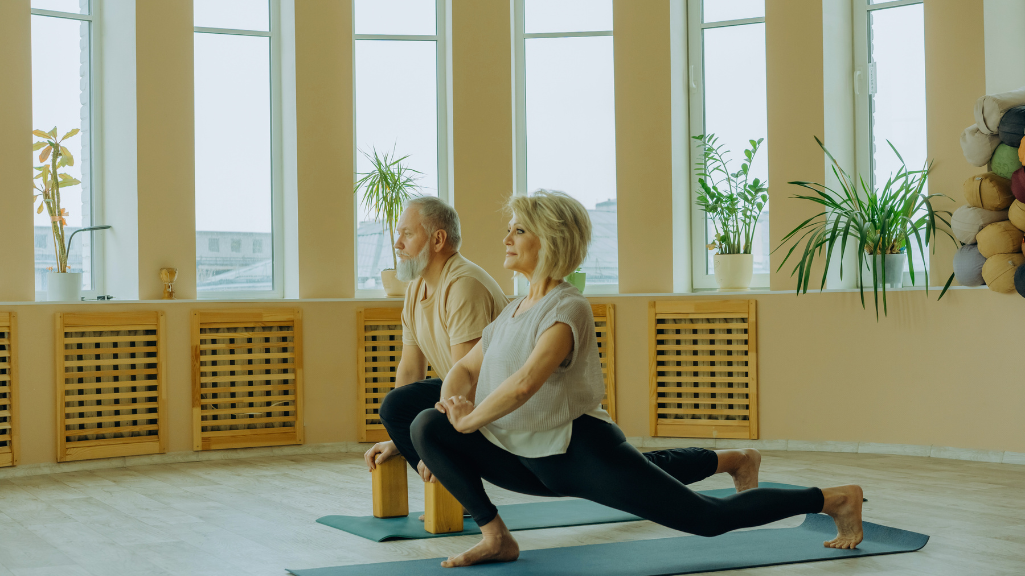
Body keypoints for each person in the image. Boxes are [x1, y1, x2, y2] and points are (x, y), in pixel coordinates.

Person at [410, 190, 864, 568]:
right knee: (425, 424)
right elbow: (466, 369)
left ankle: (832, 499)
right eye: (509, 228)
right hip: (521, 456)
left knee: (707, 519)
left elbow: (526, 382)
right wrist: (450, 404)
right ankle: (497, 538)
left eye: (519, 229)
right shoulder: (512, 310)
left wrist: (468, 422)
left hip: (578, 452)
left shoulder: (567, 308)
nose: (506, 237)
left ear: (549, 239)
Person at [363, 197, 763, 506]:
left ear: (436, 239)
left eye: (406, 233)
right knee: (399, 406)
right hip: (487, 406)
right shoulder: (415, 290)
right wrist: (411, 442)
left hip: (523, 406)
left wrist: (444, 438)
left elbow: (482, 384)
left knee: (636, 476)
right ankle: (465, 493)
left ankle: (733, 459)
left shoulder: (466, 286)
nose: (396, 243)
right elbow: (424, 373)